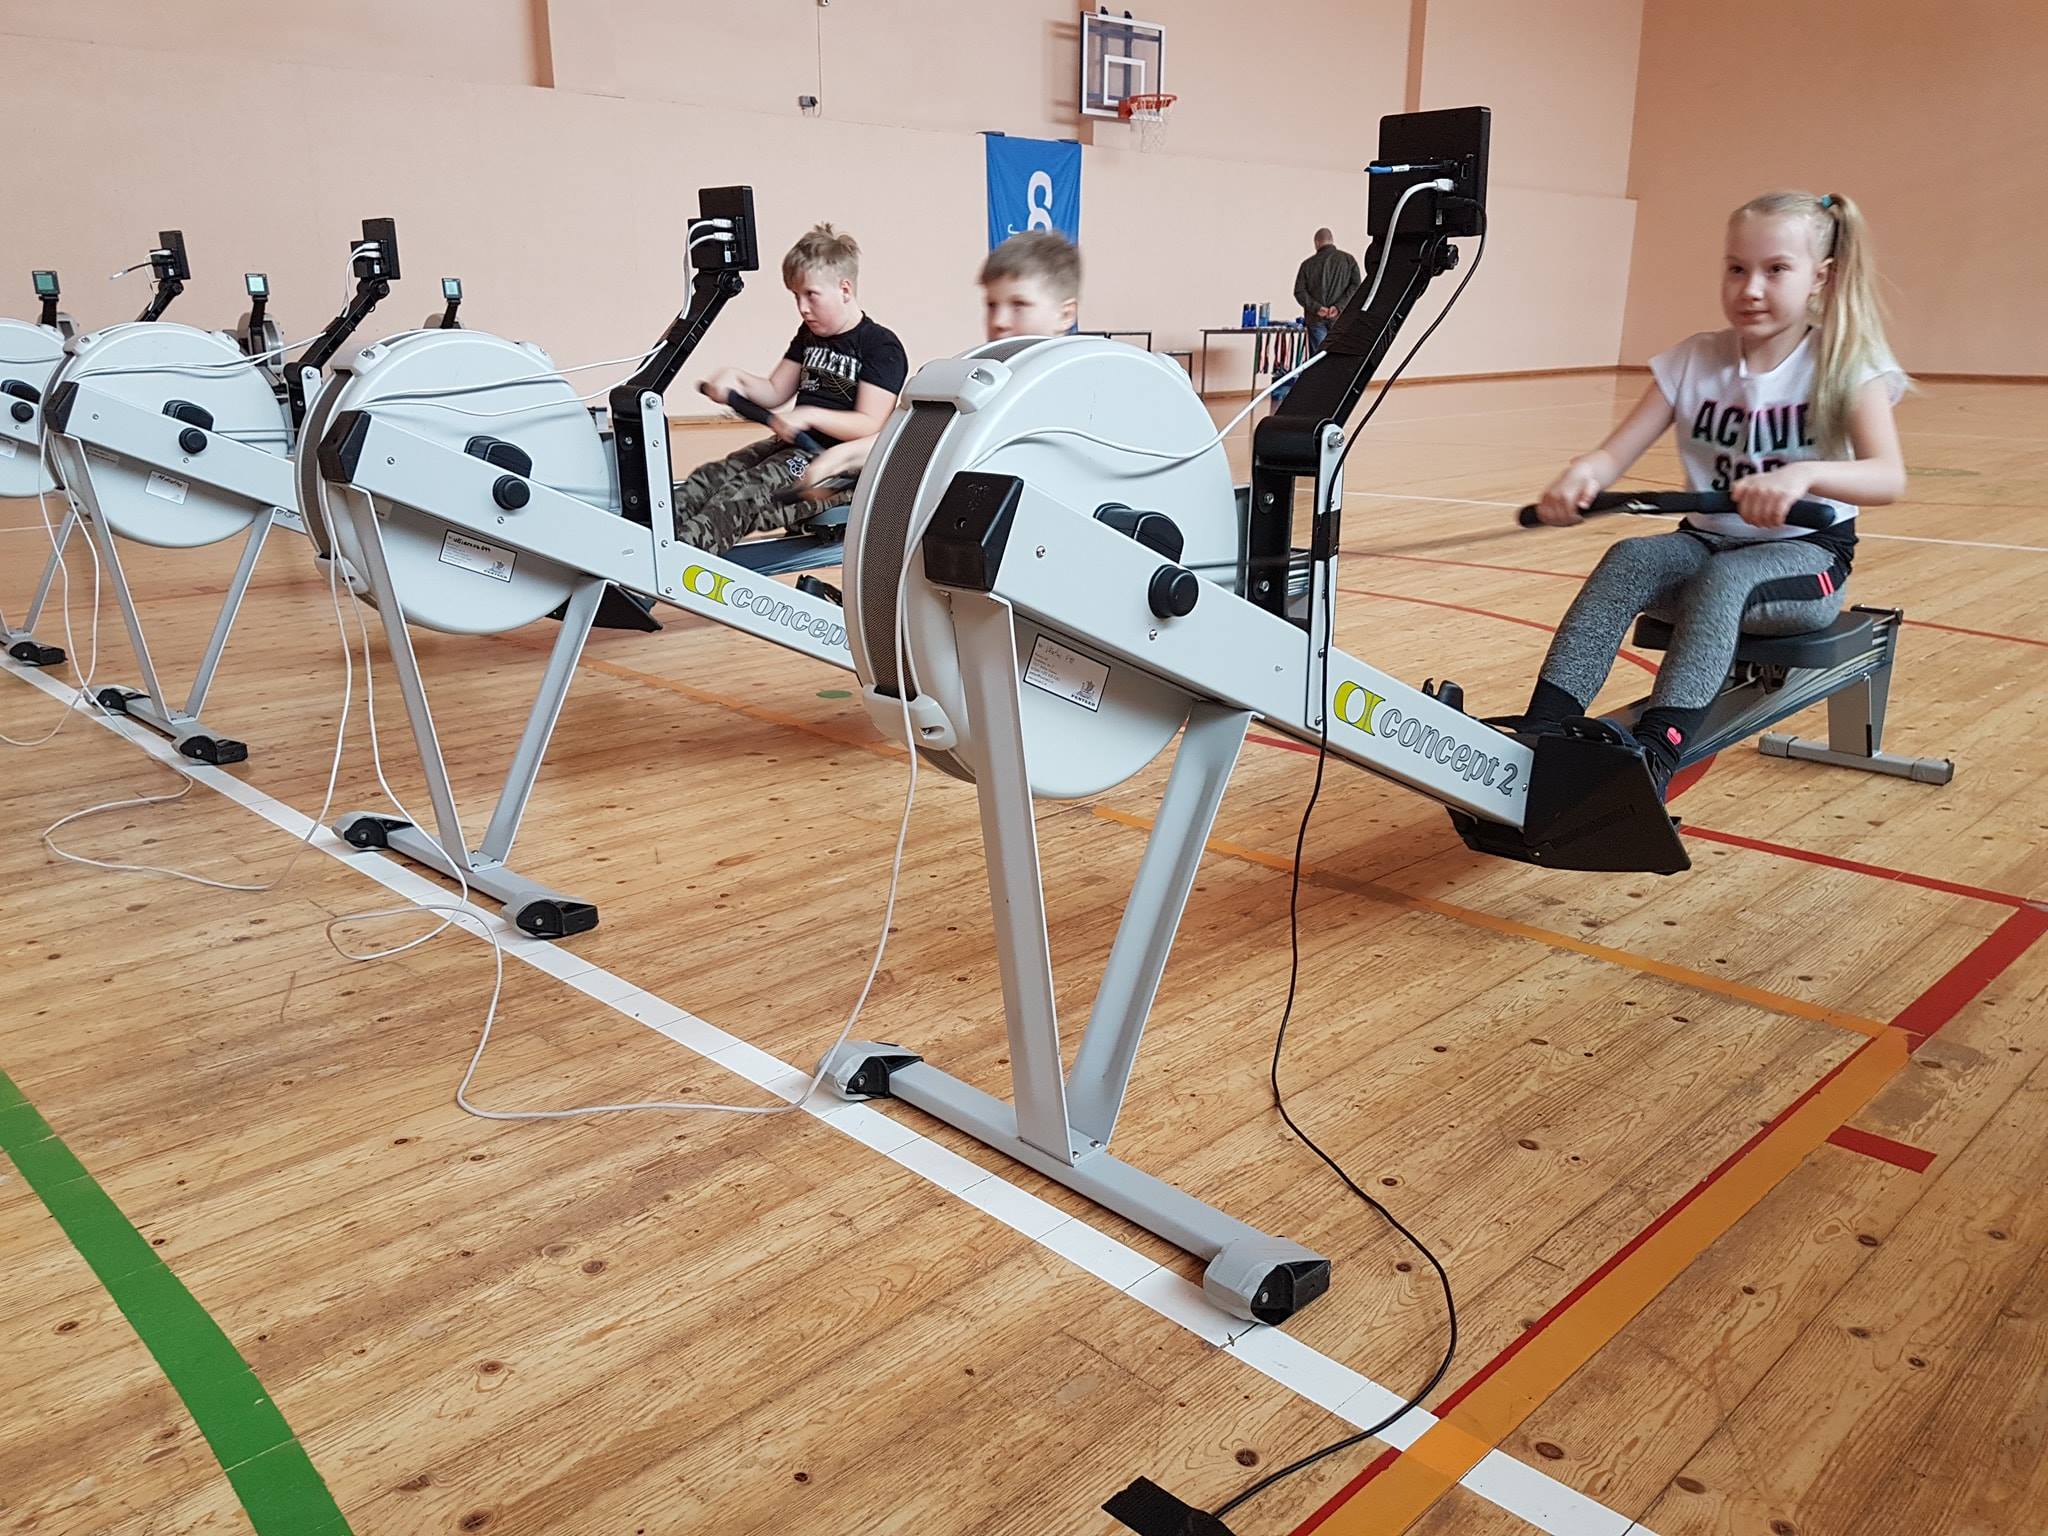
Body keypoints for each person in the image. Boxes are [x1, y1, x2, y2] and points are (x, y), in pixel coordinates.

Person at [1494, 190, 1909, 800]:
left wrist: (1803, 475)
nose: (1751, 289)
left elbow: (1889, 477)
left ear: (1820, 278)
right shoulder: (1694, 359)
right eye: (1737, 268)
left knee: (1727, 581)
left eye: (1776, 270)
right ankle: (1542, 729)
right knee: (1630, 558)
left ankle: (1656, 757)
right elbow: (1612, 454)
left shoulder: (1846, 364)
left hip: (1808, 560)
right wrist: (1583, 476)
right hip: (1705, 544)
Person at [791, 230, 1082, 494]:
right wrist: (838, 458)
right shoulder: (986, 379)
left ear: (1066, 315)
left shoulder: (1080, 391)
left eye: (1019, 305)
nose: (1000, 321)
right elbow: (920, 439)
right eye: (992, 305)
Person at [679, 223, 908, 554]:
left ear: (844, 289)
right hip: (790, 447)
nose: (802, 307)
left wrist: (809, 415)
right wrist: (736, 378)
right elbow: (774, 391)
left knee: (738, 498)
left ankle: (669, 566)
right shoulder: (809, 334)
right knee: (706, 481)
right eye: (796, 297)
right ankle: (643, 553)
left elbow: (870, 424)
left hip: (833, 465)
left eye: (811, 295)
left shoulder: (880, 345)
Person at [1275, 227, 1359, 403]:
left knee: (1318, 357)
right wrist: (1338, 307)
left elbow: (1299, 292)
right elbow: (1356, 286)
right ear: (1332, 240)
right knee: (1339, 354)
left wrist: (1317, 308)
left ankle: (1317, 394)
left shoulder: (1307, 265)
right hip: (1341, 318)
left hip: (1316, 319)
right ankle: (1338, 394)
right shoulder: (1348, 260)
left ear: (1316, 243)